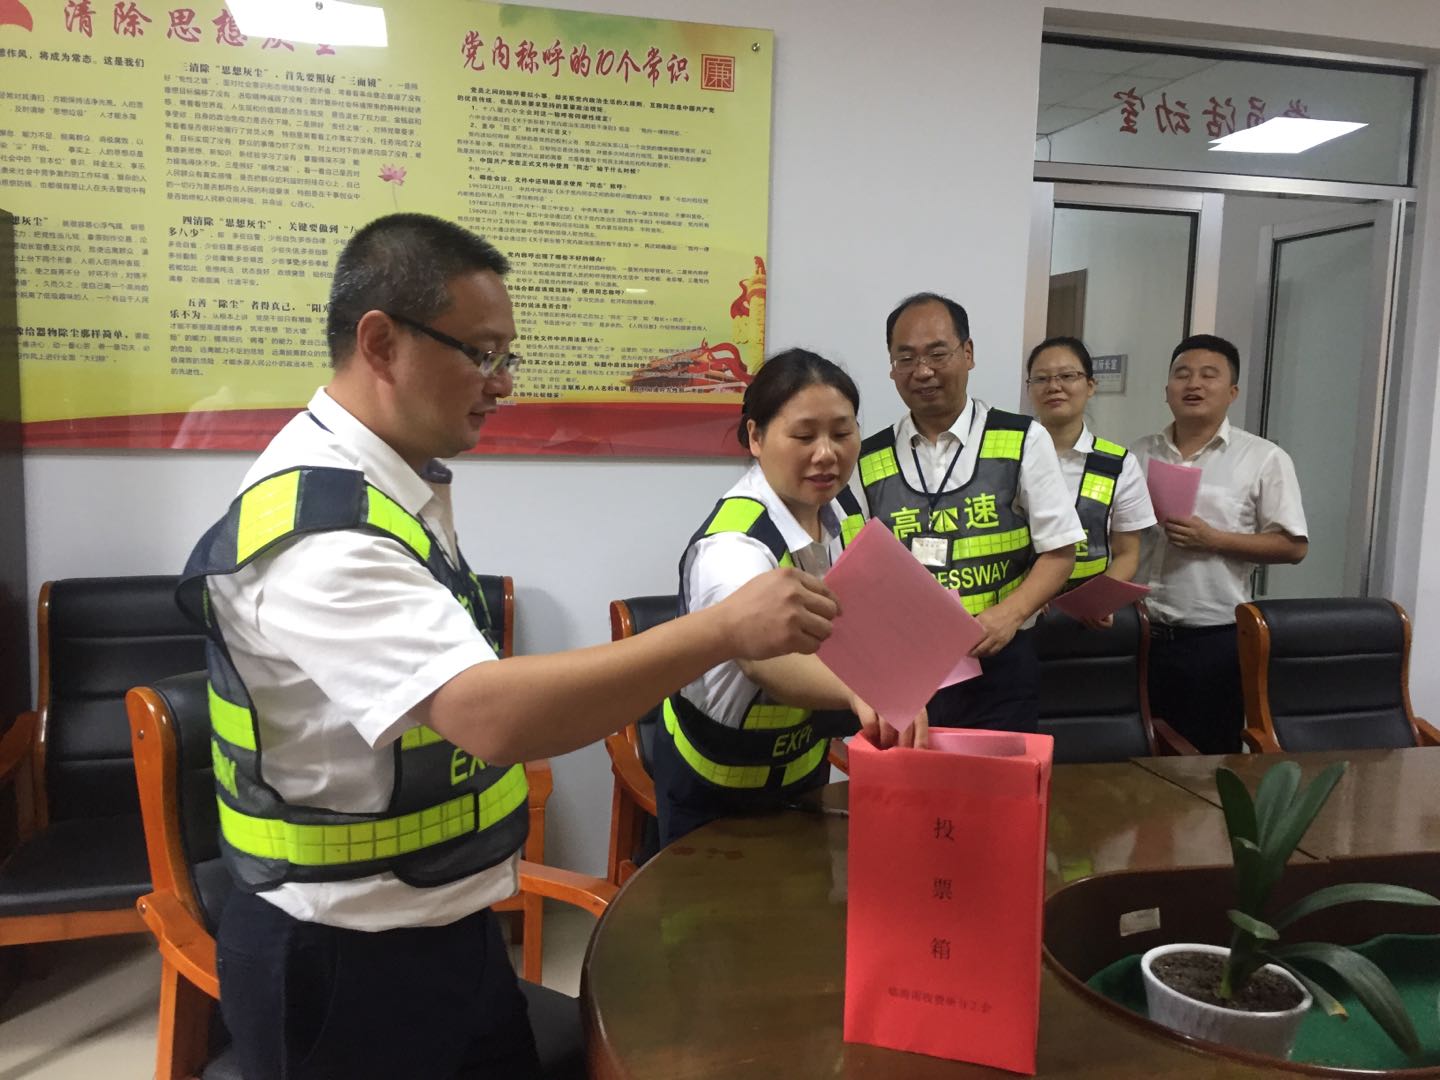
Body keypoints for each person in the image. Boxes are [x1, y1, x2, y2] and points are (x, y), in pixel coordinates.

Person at [175, 213, 844, 1080]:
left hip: (438, 920)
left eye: (506, 357)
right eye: (481, 354)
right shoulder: (319, 532)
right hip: (343, 962)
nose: (502, 384)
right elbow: (490, 717)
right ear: (381, 343)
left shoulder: (392, 489)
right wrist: (719, 630)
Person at [657, 348, 924, 845]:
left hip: (804, 766)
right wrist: (866, 689)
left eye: (842, 433)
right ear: (756, 437)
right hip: (717, 789)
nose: (827, 454)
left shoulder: (842, 508)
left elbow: (861, 606)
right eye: (804, 436)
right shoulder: (733, 545)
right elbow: (765, 660)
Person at [853, 293, 1084, 731]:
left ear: (968, 353)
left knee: (993, 775)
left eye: (937, 353)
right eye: (906, 358)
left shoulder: (1023, 439)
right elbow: (858, 569)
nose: (923, 371)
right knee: (913, 774)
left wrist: (1010, 615)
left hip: (999, 663)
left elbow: (1060, 551)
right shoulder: (867, 458)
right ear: (892, 368)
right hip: (907, 666)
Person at [1131, 333, 1308, 754]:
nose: (1193, 384)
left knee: (1206, 762)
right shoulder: (1136, 454)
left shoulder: (1263, 458)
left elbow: (1293, 546)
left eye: (1209, 375)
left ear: (1232, 392)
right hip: (1138, 633)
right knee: (1135, 754)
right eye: (1182, 374)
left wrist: (1214, 540)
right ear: (1167, 390)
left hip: (1214, 639)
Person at [1025, 335, 1156, 627]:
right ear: (1029, 389)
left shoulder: (1118, 464)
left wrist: (1098, 601)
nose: (1054, 386)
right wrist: (1029, 596)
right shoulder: (1008, 457)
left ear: (1091, 386)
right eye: (1041, 378)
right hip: (1016, 612)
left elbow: (1127, 553)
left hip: (1084, 620)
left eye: (1067, 376)